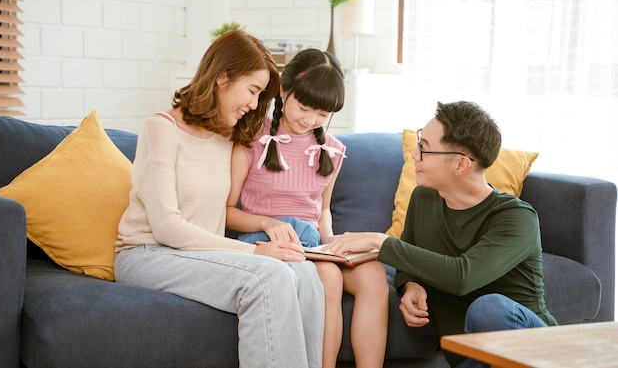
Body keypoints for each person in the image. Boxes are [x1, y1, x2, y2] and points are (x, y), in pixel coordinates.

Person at [114, 30, 324, 368]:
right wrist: (256, 251)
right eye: (253, 91)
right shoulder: (161, 128)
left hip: (201, 255)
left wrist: (270, 225)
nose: (254, 105)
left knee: (306, 275)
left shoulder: (228, 135)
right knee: (268, 276)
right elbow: (167, 227)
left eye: (261, 96)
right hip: (147, 255)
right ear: (222, 76)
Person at [324, 101, 557, 368]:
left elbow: (462, 276)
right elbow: (409, 258)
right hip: (470, 360)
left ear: (460, 164)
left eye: (424, 148)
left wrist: (382, 242)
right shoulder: (424, 198)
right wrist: (411, 285)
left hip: (536, 353)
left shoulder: (516, 218)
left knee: (489, 309)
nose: (414, 154)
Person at [226, 48, 389, 368]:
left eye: (322, 114)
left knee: (373, 274)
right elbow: (227, 210)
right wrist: (268, 223)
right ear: (284, 90)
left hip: (310, 242)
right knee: (329, 276)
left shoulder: (334, 150)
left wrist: (331, 241)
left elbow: (321, 210)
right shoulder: (251, 138)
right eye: (304, 107)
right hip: (264, 238)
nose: (310, 120)